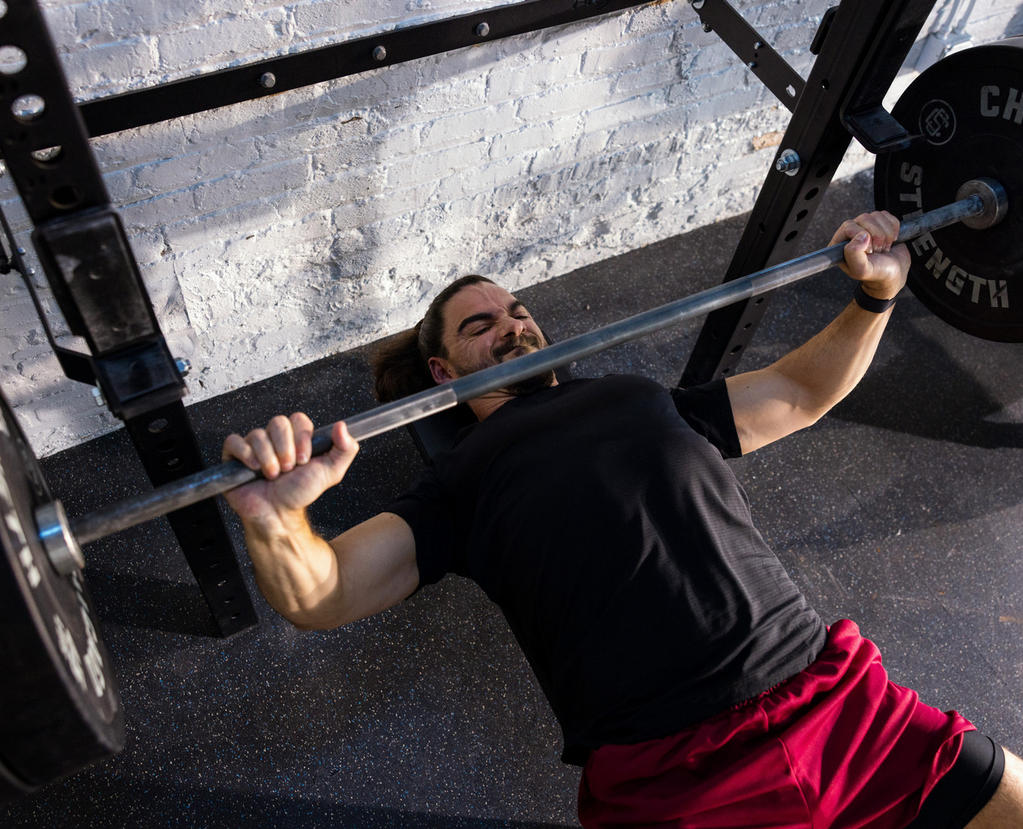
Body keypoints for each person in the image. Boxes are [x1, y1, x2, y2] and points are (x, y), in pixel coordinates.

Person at [221, 212, 1023, 828]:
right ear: (443, 372)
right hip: (673, 775)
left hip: (833, 703)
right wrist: (275, 519)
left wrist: (874, 294)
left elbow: (797, 392)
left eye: (518, 311)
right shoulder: (460, 482)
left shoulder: (642, 398)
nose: (512, 324)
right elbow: (323, 592)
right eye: (481, 325)